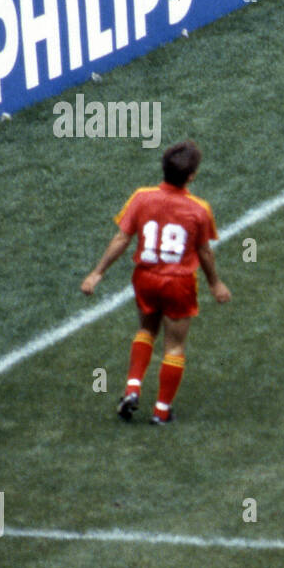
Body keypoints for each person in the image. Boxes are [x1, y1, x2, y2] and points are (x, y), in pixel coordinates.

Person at [80, 141, 231, 424]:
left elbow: (122, 238)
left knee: (147, 329)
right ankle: (161, 411)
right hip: (178, 283)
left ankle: (132, 388)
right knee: (174, 346)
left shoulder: (141, 197)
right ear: (191, 176)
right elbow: (204, 251)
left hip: (145, 278)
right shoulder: (199, 209)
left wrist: (97, 272)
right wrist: (215, 283)